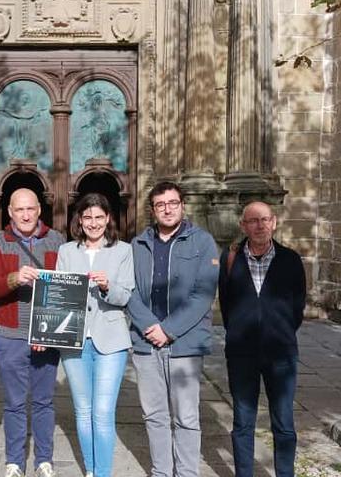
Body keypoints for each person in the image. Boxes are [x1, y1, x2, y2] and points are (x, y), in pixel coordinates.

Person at [126, 181, 220, 477]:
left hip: (184, 345)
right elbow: (129, 292)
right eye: (160, 204)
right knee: (154, 415)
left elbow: (203, 295)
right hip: (146, 343)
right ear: (152, 210)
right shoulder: (138, 245)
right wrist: (149, 326)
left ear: (182, 205)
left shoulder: (202, 242)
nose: (167, 209)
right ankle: (161, 472)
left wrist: (168, 330)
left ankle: (187, 473)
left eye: (173, 203)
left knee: (187, 417)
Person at [218, 201, 306, 477]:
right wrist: (240, 331)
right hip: (241, 354)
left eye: (264, 220)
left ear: (274, 223)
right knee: (243, 421)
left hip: (281, 354)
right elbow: (226, 303)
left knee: (284, 423)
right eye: (253, 221)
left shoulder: (290, 260)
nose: (259, 226)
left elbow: (297, 308)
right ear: (243, 225)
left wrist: (278, 331)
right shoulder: (230, 259)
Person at [0, 188, 66, 477]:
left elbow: (63, 291)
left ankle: (44, 460)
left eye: (31, 209)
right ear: (10, 213)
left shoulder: (57, 240)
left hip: (46, 334)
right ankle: (14, 461)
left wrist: (47, 332)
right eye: (20, 210)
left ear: (39, 210)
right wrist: (15, 278)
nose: (26, 215)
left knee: (44, 401)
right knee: (15, 403)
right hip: (10, 334)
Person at [56, 193, 134, 477]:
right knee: (83, 410)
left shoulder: (123, 250)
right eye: (87, 217)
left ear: (108, 219)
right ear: (79, 220)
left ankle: (103, 473)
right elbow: (59, 296)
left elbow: (125, 294)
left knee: (102, 412)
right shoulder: (67, 252)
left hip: (110, 339)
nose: (93, 223)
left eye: (99, 217)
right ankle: (90, 470)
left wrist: (106, 287)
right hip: (74, 341)